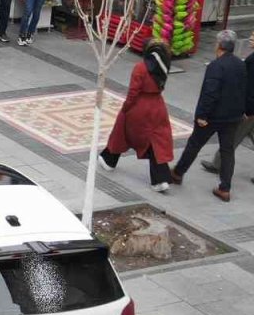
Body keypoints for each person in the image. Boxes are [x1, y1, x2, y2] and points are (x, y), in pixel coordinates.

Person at [172, 29, 247, 202]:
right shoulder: (240, 64)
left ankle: (178, 173)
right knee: (227, 151)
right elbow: (244, 89)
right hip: (233, 117)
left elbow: (210, 93)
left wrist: (202, 115)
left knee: (194, 144)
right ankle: (225, 188)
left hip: (213, 116)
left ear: (219, 45)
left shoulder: (216, 66)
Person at [98, 40, 176, 192]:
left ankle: (109, 159)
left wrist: (126, 107)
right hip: (158, 106)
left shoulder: (140, 68)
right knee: (155, 140)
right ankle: (160, 178)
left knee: (121, 131)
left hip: (139, 106)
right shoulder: (164, 67)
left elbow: (133, 92)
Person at [203, 29, 254, 176]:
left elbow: (250, 87)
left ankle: (218, 164)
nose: (250, 38)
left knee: (232, 137)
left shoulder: (252, 60)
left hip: (249, 108)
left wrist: (246, 109)